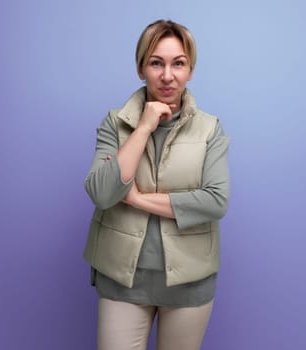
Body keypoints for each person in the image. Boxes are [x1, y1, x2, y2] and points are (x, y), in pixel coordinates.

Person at [83, 19, 230, 350]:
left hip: (189, 282)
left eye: (178, 63)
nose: (167, 75)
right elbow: (102, 193)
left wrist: (133, 198)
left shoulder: (211, 130)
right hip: (122, 279)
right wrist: (143, 128)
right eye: (156, 63)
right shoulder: (115, 122)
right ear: (140, 69)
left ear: (190, 69)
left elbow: (215, 201)